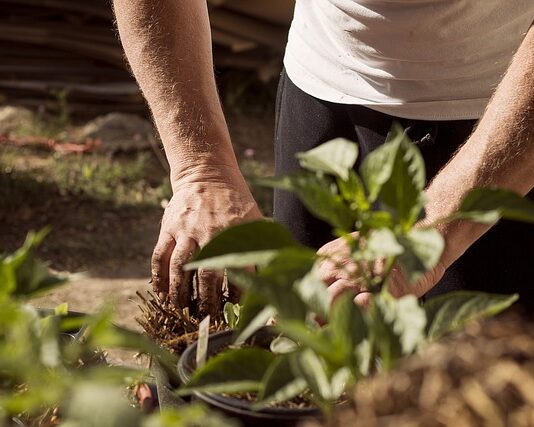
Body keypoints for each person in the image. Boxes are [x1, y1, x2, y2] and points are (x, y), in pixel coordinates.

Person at [113, 1, 534, 316]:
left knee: (477, 390)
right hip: (321, 93)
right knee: (310, 361)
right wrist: (201, 169)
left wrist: (429, 230)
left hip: (503, 127)